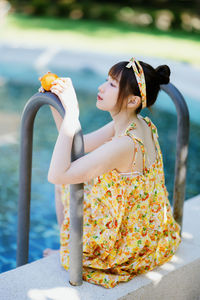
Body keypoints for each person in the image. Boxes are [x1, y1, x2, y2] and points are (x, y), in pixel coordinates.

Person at [40, 57, 181, 288]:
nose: (101, 87)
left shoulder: (124, 143)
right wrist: (60, 107)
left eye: (112, 85)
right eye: (106, 80)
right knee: (73, 183)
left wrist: (74, 112)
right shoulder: (135, 123)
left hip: (126, 245)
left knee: (63, 185)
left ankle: (68, 249)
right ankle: (69, 245)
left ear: (133, 100)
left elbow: (57, 174)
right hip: (146, 231)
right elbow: (79, 144)